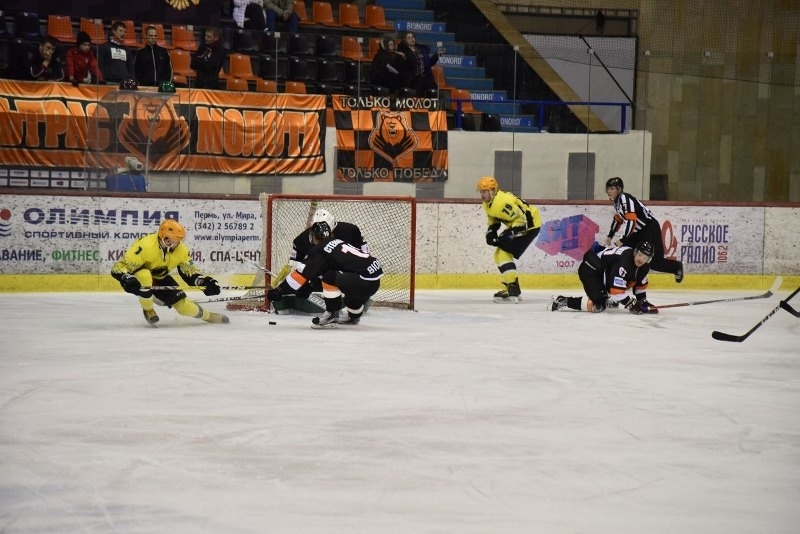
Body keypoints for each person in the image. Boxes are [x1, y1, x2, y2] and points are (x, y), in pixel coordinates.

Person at [111, 219, 229, 325]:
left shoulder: (181, 250)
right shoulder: (145, 246)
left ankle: (209, 316)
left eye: (179, 240)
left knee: (184, 307)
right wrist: (125, 277)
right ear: (166, 238)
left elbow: (188, 271)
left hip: (160, 278)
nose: (178, 243)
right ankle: (148, 310)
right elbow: (119, 267)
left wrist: (202, 281)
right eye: (176, 240)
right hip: (140, 279)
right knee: (145, 275)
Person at [268, 220, 383, 328]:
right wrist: (310, 287)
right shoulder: (337, 242)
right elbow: (324, 274)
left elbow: (298, 278)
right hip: (373, 282)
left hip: (362, 282)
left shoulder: (320, 250)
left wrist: (279, 291)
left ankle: (332, 315)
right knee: (344, 285)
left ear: (314, 237)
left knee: (329, 277)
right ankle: (354, 316)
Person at [273, 208, 369, 314]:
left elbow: (363, 257)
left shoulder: (350, 231)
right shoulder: (301, 241)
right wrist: (304, 285)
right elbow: (297, 266)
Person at [604, 176, 684, 283]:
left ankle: (676, 267)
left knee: (655, 262)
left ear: (619, 189)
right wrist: (610, 235)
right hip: (638, 232)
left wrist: (623, 239)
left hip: (649, 228)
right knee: (625, 253)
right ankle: (627, 278)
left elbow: (631, 221)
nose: (609, 191)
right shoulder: (617, 202)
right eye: (608, 189)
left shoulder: (624, 198)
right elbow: (618, 219)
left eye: (612, 188)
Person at [477, 176, 542, 303]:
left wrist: (510, 233)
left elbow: (523, 220)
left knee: (502, 254)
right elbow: (493, 219)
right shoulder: (488, 203)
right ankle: (513, 289)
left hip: (530, 225)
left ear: (492, 191)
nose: (482, 195)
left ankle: (513, 290)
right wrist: (491, 232)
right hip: (523, 225)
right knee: (499, 254)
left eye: (484, 191)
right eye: (481, 191)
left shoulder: (502, 202)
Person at [551, 242, 655, 314]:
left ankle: (606, 299)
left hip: (604, 270)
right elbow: (616, 290)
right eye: (640, 255)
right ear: (635, 252)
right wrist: (630, 303)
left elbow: (640, 283)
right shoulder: (624, 262)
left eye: (645, 258)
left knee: (624, 283)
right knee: (598, 305)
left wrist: (642, 301)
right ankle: (563, 301)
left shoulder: (644, 266)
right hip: (591, 268)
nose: (641, 259)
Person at [396, 31, 442, 96]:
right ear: (405, 41)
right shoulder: (403, 51)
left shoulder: (421, 50)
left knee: (434, 90)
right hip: (413, 78)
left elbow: (429, 64)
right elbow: (403, 67)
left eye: (413, 37)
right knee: (419, 85)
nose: (412, 39)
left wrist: (437, 55)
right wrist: (404, 58)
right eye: (409, 38)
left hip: (425, 77)